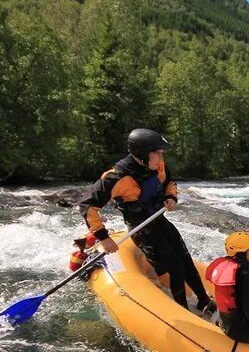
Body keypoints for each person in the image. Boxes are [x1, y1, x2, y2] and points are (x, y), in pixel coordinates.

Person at [77, 128, 215, 315]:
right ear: (142, 154)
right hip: (141, 229)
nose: (161, 155)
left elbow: (169, 182)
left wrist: (171, 197)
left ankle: (204, 301)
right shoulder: (117, 177)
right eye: (157, 152)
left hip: (159, 220)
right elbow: (87, 206)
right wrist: (103, 237)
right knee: (174, 267)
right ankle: (182, 309)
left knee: (185, 259)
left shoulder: (157, 164)